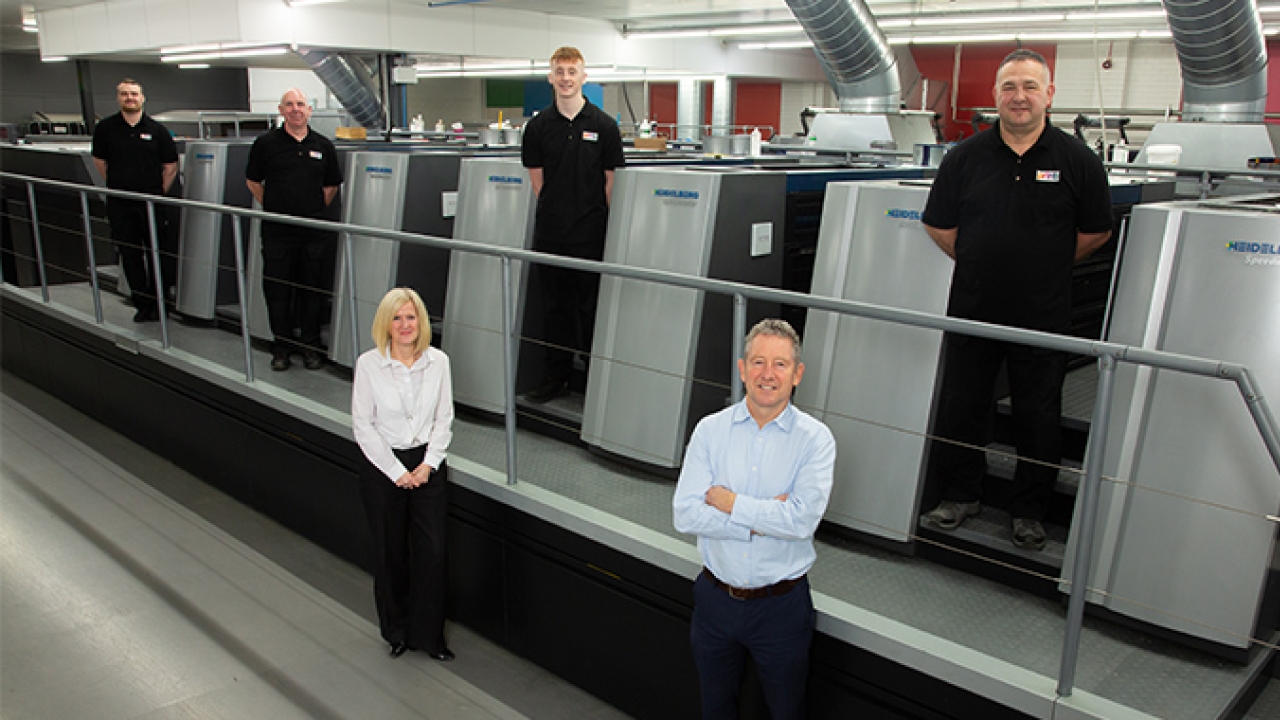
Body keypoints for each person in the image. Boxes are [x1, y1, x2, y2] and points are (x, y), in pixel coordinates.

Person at [920, 49, 1113, 551]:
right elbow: (938, 224)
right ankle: (961, 495)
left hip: (1041, 314)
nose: (1019, 96)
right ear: (995, 96)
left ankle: (1030, 510)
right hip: (973, 309)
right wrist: (982, 261)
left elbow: (1095, 231)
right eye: (1009, 87)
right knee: (963, 405)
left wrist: (1041, 266)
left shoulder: (1077, 161)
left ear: (1049, 95)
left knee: (1038, 415)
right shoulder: (965, 158)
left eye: (1030, 86)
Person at [673, 318, 836, 720]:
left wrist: (729, 502)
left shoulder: (816, 440)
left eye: (780, 364)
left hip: (780, 608)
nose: (768, 374)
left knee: (786, 712)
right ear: (742, 368)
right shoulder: (710, 431)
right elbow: (685, 513)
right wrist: (763, 517)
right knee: (715, 709)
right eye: (758, 362)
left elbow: (800, 523)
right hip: (714, 601)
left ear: (797, 374)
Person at [351, 287, 456, 662]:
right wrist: (398, 472)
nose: (405, 325)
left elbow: (444, 418)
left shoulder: (439, 362)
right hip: (383, 466)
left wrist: (428, 464)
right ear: (386, 323)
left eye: (411, 317)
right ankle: (396, 631)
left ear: (421, 322)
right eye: (397, 317)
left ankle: (430, 637)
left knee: (433, 553)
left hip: (428, 463)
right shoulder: (368, 364)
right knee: (390, 552)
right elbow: (363, 426)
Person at [521, 46, 625, 402]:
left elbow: (611, 183)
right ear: (550, 77)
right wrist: (557, 214)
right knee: (555, 310)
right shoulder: (537, 128)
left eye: (572, 71)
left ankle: (594, 377)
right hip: (551, 234)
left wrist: (599, 225)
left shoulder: (605, 126)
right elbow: (538, 183)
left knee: (592, 308)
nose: (566, 78)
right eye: (560, 71)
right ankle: (557, 375)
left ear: (584, 77)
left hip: (591, 235)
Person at [245, 88, 343, 371]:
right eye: (289, 105)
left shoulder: (324, 146)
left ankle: (311, 346)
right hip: (277, 232)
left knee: (311, 290)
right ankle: (282, 347)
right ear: (281, 110)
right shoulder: (266, 144)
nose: (295, 109)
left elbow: (330, 186)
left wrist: (309, 210)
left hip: (312, 231)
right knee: (277, 291)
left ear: (309, 110)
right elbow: (253, 181)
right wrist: (276, 207)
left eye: (300, 104)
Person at [91, 78, 179, 323]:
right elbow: (99, 161)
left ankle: (160, 303)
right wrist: (119, 184)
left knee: (157, 254)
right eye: (124, 94)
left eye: (134, 94)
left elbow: (170, 166)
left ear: (142, 98)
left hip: (152, 203)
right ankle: (142, 303)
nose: (129, 98)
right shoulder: (106, 129)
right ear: (118, 98)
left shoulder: (158, 131)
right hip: (121, 203)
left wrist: (157, 191)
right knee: (130, 254)